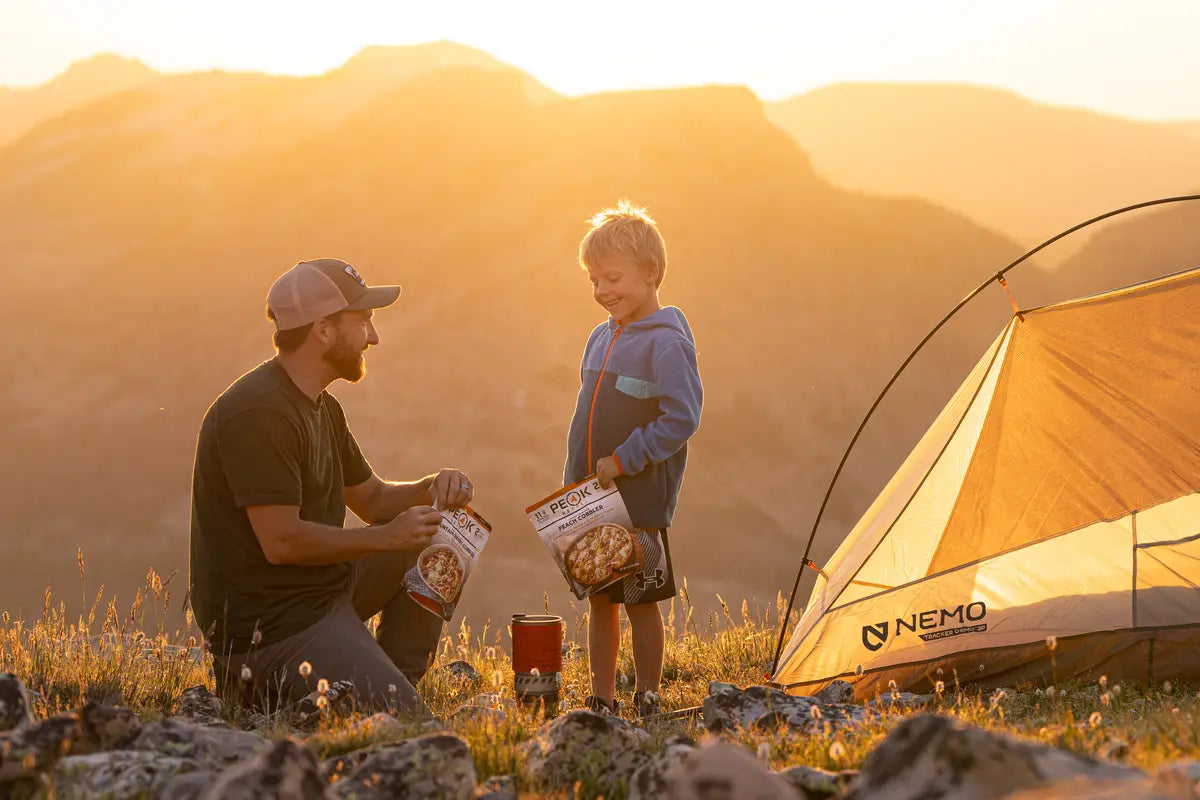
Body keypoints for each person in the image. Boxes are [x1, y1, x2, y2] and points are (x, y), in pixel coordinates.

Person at [188, 257, 473, 713]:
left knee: (441, 534)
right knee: (407, 722)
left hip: (321, 594)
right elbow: (281, 543)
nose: (374, 337)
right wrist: (384, 538)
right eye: (363, 322)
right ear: (323, 330)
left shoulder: (322, 408)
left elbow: (374, 499)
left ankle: (394, 681)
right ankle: (377, 701)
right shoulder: (258, 413)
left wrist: (430, 487)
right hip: (272, 630)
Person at [563, 201, 703, 716]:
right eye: (594, 280)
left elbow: (681, 418)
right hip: (594, 499)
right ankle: (602, 698)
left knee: (642, 600)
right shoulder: (600, 337)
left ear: (651, 274)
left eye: (613, 277)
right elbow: (585, 418)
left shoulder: (666, 344)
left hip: (639, 499)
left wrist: (625, 459)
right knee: (601, 601)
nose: (602, 291)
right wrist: (573, 483)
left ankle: (648, 695)